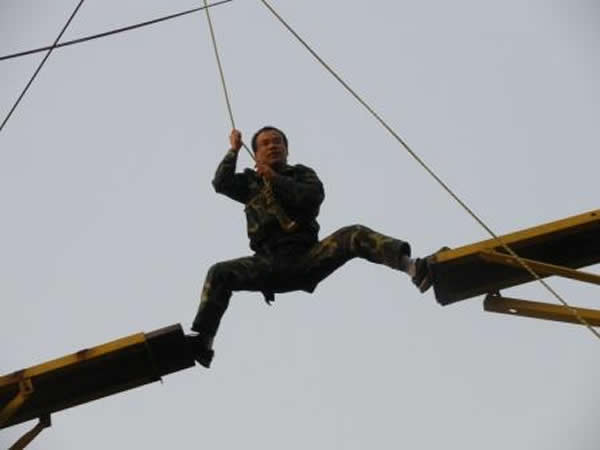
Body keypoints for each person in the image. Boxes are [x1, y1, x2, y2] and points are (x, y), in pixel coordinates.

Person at [187, 126, 433, 368]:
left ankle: (412, 267)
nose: (273, 146)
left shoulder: (301, 174)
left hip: (307, 258)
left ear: (287, 150)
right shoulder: (250, 183)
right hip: (268, 264)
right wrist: (233, 150)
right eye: (265, 144)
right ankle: (203, 342)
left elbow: (311, 197)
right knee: (219, 273)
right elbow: (221, 183)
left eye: (277, 142)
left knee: (354, 234)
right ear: (257, 154)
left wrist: (274, 178)